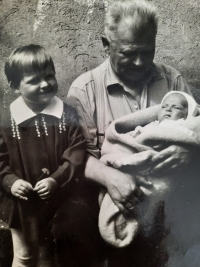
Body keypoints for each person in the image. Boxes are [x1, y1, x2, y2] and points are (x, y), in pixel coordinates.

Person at [64, 0, 197, 266]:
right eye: (128, 53)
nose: (139, 62)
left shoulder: (172, 81)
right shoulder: (84, 90)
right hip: (105, 187)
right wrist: (111, 177)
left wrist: (190, 152)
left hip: (168, 186)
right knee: (70, 226)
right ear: (106, 44)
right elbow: (75, 155)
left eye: (148, 52)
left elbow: (195, 124)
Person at [0, 44, 86, 267]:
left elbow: (76, 152)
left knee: (48, 255)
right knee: (25, 255)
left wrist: (56, 180)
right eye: (34, 80)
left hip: (56, 198)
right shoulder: (6, 121)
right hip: (22, 202)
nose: (45, 84)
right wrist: (11, 182)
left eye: (49, 76)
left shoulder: (67, 115)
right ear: (15, 86)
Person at [98, 91, 199, 248]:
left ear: (188, 114)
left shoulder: (184, 127)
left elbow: (193, 135)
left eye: (176, 107)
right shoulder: (152, 126)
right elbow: (131, 139)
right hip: (137, 165)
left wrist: (188, 147)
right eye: (164, 106)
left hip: (163, 174)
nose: (168, 110)